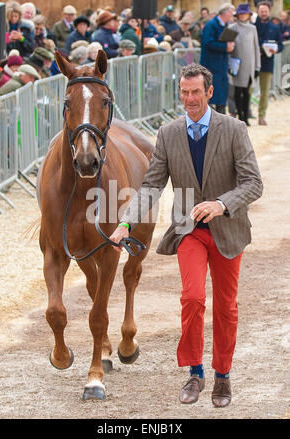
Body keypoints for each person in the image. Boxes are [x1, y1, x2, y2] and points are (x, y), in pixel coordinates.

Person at [109, 63, 263, 408]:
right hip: (189, 231)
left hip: (228, 230)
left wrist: (222, 204)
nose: (189, 99)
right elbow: (150, 187)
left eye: (196, 92)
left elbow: (253, 183)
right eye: (184, 92)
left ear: (209, 93)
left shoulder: (234, 129)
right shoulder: (168, 133)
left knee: (226, 306)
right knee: (192, 298)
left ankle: (222, 376)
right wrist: (126, 223)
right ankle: (194, 373)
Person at [200, 3, 235, 114]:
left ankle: (222, 117)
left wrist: (230, 46)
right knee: (211, 93)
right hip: (211, 65)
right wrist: (225, 47)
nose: (232, 16)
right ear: (226, 13)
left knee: (221, 93)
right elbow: (207, 43)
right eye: (231, 13)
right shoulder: (211, 25)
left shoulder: (225, 26)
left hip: (221, 65)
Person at [229, 4, 261, 125]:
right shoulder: (232, 28)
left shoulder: (253, 28)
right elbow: (228, 48)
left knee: (247, 91)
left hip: (250, 64)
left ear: (248, 15)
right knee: (237, 91)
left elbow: (256, 47)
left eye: (245, 13)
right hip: (236, 64)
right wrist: (229, 65)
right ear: (237, 15)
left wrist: (258, 67)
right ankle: (240, 114)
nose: (243, 16)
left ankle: (246, 115)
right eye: (240, 14)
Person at [255, 1, 283, 125]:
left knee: (265, 92)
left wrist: (276, 49)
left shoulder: (275, 28)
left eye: (265, 11)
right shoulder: (252, 26)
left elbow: (281, 46)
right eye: (261, 11)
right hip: (253, 62)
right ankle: (244, 112)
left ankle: (261, 116)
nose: (264, 13)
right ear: (257, 12)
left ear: (269, 12)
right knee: (248, 89)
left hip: (267, 63)